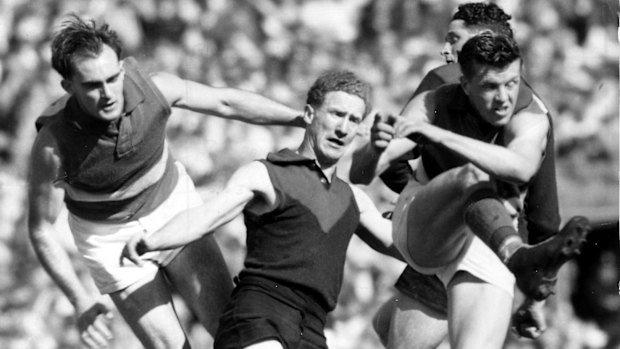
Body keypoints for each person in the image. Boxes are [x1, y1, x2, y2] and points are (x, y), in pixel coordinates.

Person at [27, 14, 306, 349]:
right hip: (109, 239)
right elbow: (41, 229)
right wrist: (79, 299)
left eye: (113, 78)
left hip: (173, 208)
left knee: (235, 334)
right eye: (91, 85)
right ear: (68, 86)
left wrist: (301, 119)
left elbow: (226, 101)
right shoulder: (53, 143)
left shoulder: (154, 86)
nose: (108, 93)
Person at [121, 70, 398, 349]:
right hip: (259, 315)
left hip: (312, 330)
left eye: (353, 120)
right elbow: (206, 217)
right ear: (310, 114)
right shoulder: (265, 174)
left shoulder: (355, 199)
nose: (343, 128)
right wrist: (153, 240)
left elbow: (403, 245)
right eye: (336, 114)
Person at [355, 3, 575, 348]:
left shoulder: (529, 113)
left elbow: (540, 203)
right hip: (453, 230)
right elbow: (379, 163)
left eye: (454, 39)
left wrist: (536, 297)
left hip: (485, 240)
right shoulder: (442, 90)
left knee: (398, 334)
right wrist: (427, 200)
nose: (446, 49)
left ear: (487, 43)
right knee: (475, 180)